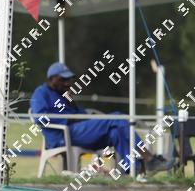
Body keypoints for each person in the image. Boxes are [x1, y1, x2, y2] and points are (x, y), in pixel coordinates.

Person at [30, 62, 167, 176]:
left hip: (80, 132)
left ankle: (132, 170)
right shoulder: (41, 93)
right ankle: (149, 158)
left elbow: (82, 116)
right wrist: (69, 118)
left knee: (117, 132)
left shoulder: (64, 95)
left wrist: (73, 104)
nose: (67, 83)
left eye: (69, 80)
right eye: (63, 80)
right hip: (62, 135)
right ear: (52, 79)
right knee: (118, 117)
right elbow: (39, 118)